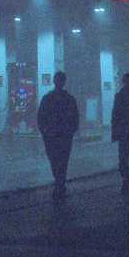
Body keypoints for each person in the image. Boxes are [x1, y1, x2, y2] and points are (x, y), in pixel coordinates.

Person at [37, 71, 80, 201]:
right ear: (64, 82)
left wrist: (44, 133)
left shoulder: (47, 98)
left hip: (51, 135)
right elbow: (75, 118)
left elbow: (40, 117)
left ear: (54, 81)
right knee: (63, 160)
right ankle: (60, 183)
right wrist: (71, 131)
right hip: (65, 136)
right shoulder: (69, 99)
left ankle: (58, 182)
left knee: (54, 160)